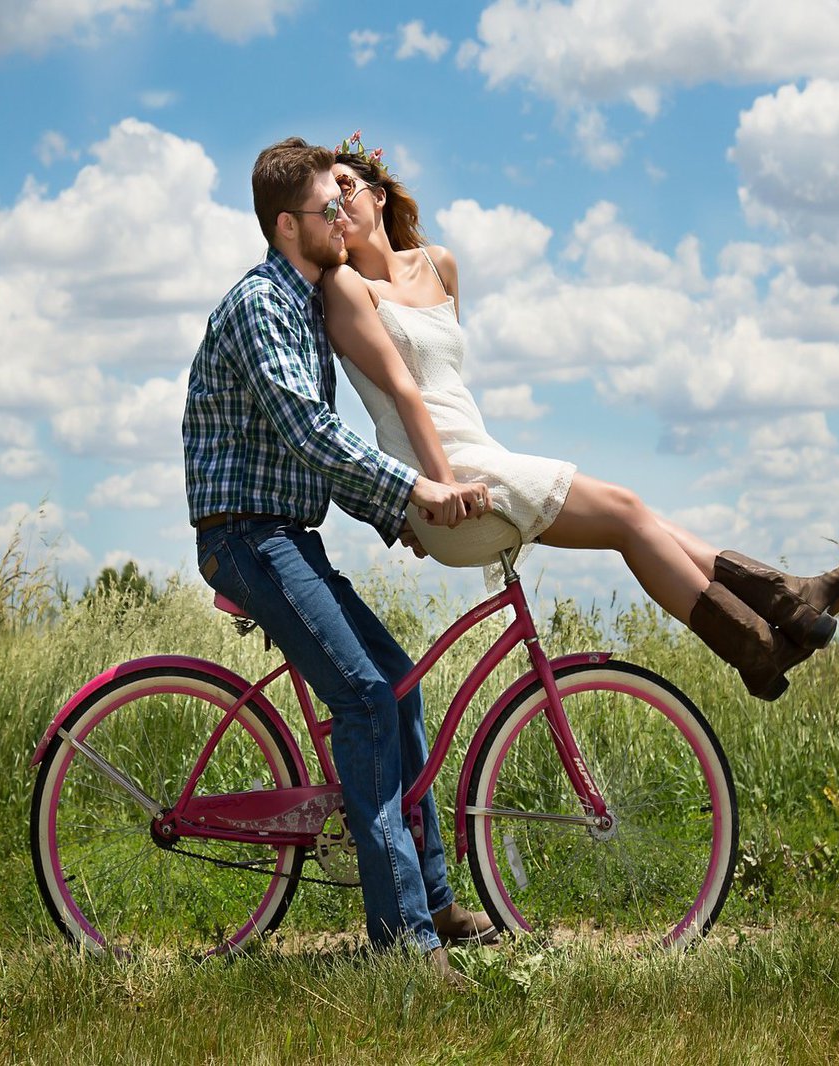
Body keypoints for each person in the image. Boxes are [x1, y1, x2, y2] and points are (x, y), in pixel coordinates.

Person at [321, 133, 839, 702]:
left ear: (380, 195)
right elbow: (407, 395)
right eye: (327, 203)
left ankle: (784, 609)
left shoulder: (441, 265)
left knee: (634, 517)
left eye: (349, 189)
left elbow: (448, 386)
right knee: (627, 513)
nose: (340, 207)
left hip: (479, 458)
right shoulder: (346, 286)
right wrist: (439, 489)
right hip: (445, 479)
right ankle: (765, 635)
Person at [181, 138, 496, 983]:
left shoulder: (306, 303)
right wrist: (412, 493)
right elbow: (309, 434)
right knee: (363, 699)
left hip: (288, 532)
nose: (343, 218)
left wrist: (393, 513)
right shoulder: (260, 306)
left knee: (396, 682)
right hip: (246, 539)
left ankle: (431, 900)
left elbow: (316, 460)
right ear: (290, 225)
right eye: (329, 208)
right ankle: (405, 946)